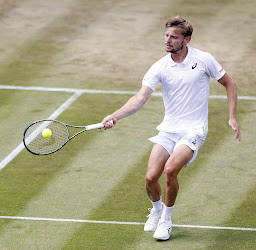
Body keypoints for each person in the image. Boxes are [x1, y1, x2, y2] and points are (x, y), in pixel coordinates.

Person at [100, 16, 241, 240]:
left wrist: (232, 117)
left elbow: (229, 83)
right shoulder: (160, 66)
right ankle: (156, 212)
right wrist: (115, 116)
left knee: (170, 171)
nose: (168, 40)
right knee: (150, 178)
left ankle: (166, 219)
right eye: (166, 36)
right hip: (168, 130)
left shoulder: (203, 59)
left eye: (173, 37)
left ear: (186, 40)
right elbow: (140, 98)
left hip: (194, 130)